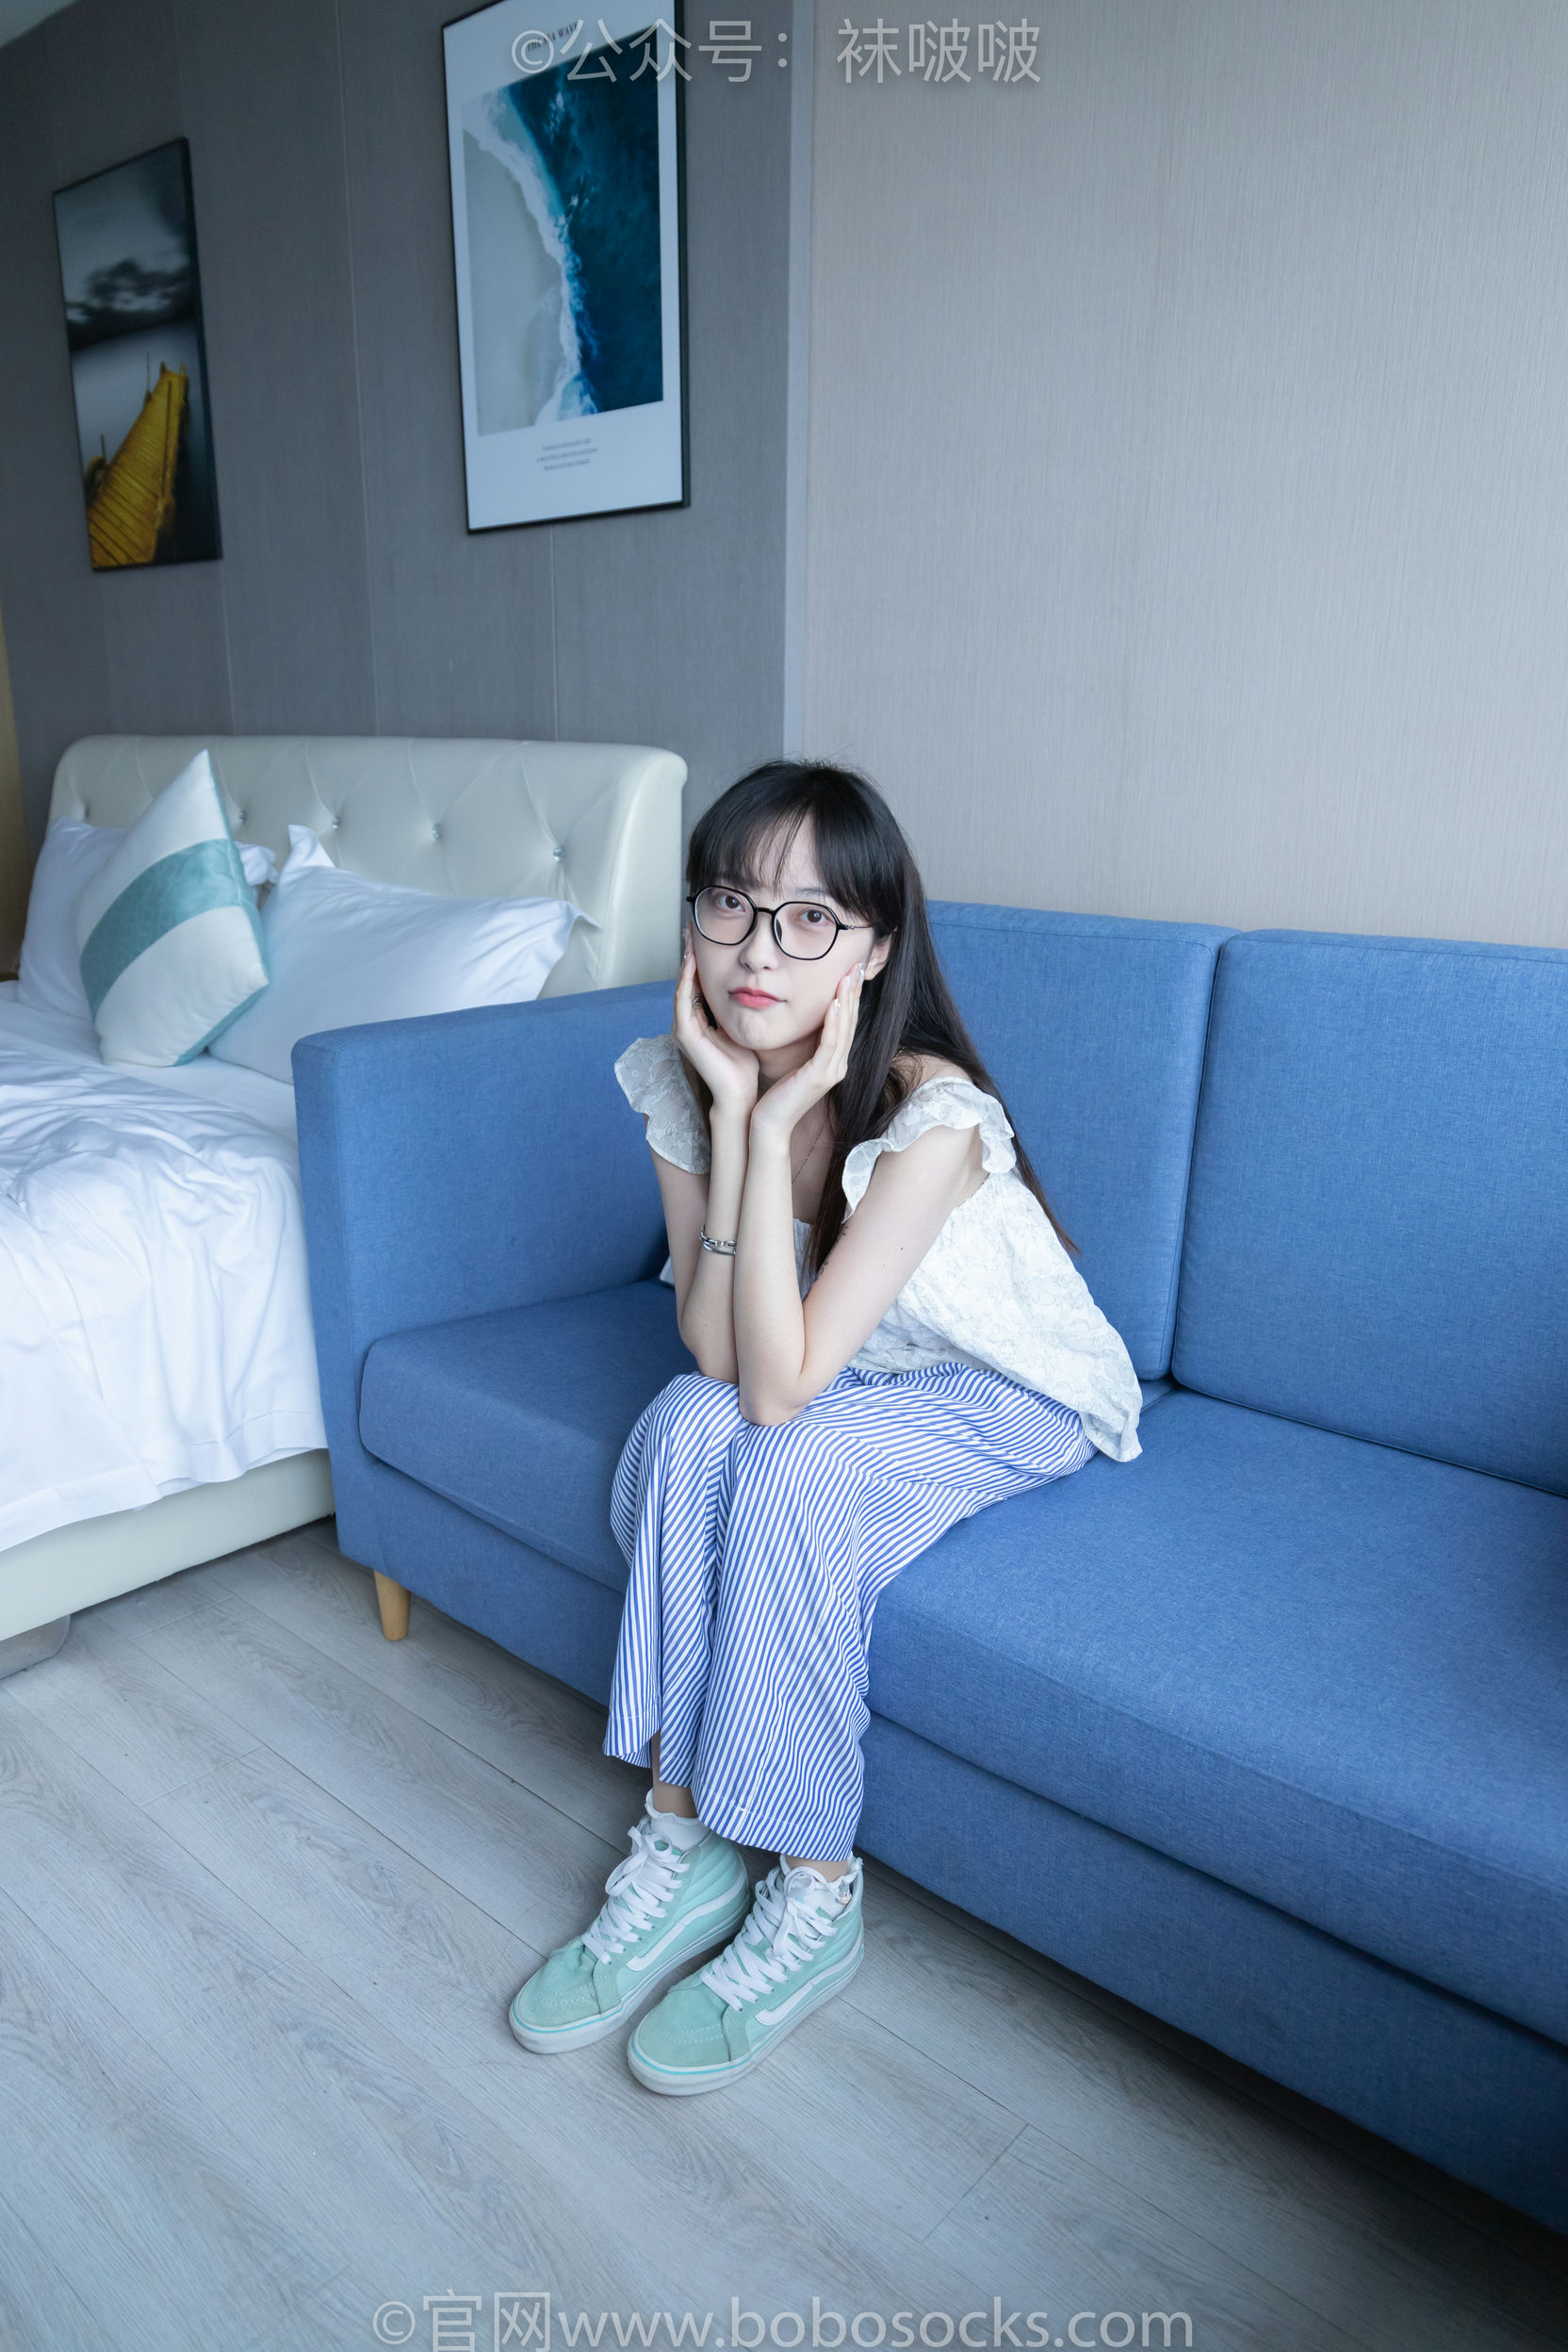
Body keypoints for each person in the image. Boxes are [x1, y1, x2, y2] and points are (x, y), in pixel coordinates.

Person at [509, 759, 1141, 2094]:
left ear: (874, 950)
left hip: (999, 1390)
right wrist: (743, 1117)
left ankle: (815, 1883)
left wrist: (790, 1108)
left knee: (783, 1458)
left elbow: (782, 1394)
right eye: (730, 905)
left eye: (810, 919)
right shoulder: (683, 1082)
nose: (759, 950)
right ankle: (683, 1836)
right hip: (835, 1371)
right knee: (684, 1424)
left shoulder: (930, 1115)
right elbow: (714, 1353)